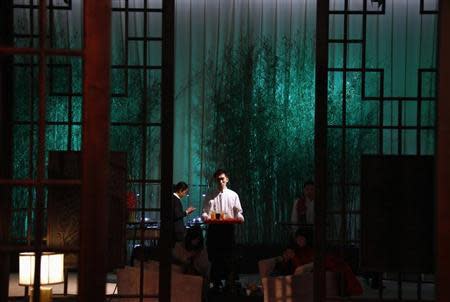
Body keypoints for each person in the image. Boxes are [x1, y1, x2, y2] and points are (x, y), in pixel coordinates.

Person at [273, 229, 363, 296]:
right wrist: (288, 257)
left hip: (313, 266)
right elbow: (296, 267)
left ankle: (345, 287)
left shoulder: (308, 248)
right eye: (298, 239)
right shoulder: (293, 251)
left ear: (306, 239)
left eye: (301, 239)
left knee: (335, 262)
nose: (299, 241)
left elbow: (311, 258)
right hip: (303, 271)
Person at [201, 169, 244, 291]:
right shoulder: (210, 194)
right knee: (215, 257)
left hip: (227, 229)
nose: (220, 181)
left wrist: (240, 217)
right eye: (218, 179)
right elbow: (205, 211)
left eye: (222, 178)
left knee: (228, 256)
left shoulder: (233, 195)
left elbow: (238, 212)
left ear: (227, 179)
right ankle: (216, 283)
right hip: (214, 229)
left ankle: (229, 282)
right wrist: (205, 217)